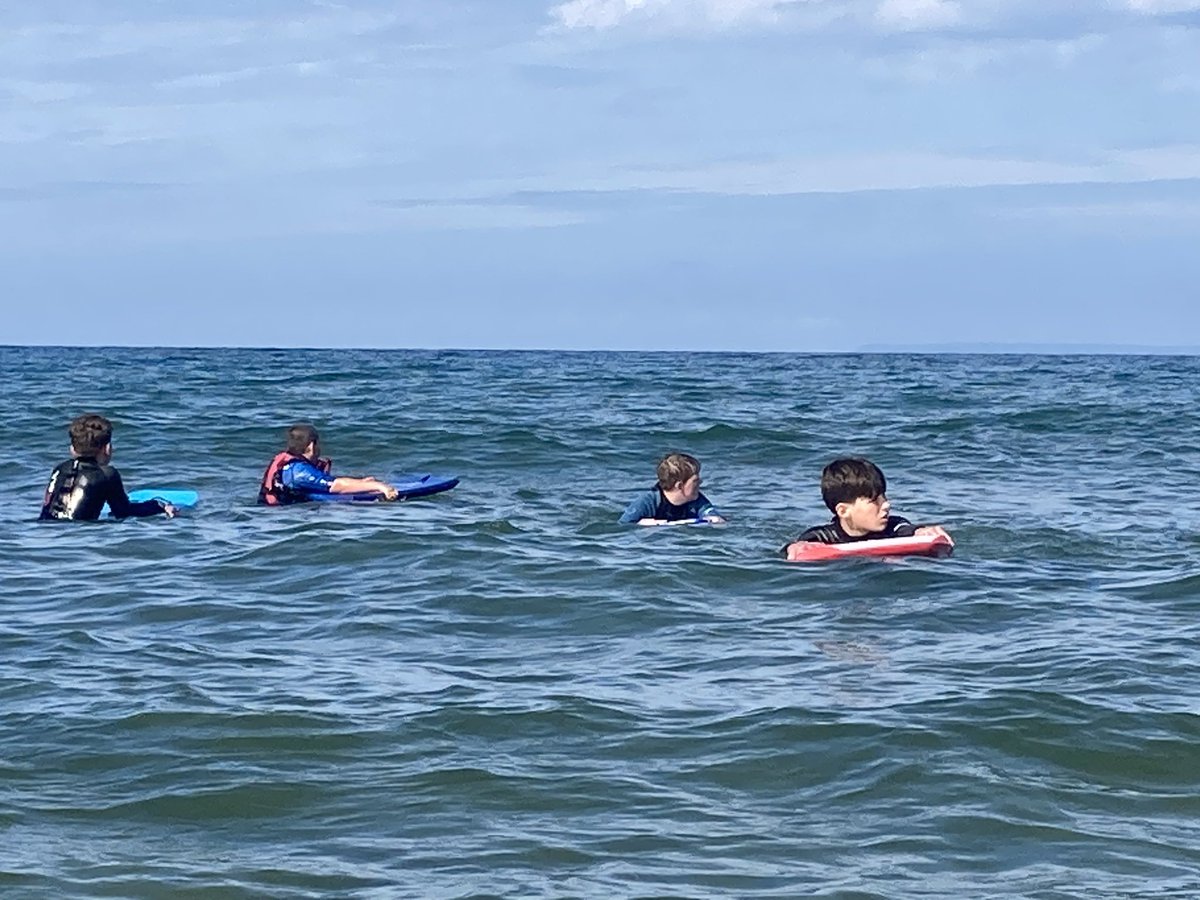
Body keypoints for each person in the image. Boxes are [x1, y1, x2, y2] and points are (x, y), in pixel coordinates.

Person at [782, 457, 952, 553]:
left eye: (884, 497)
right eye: (874, 501)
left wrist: (921, 531)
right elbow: (800, 544)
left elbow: (907, 530)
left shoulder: (893, 526)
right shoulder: (826, 536)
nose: (886, 505)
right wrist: (795, 547)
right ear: (843, 510)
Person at [39, 413, 177, 521]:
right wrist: (159, 506)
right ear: (107, 448)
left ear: (72, 449)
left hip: (46, 529)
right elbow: (123, 512)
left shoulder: (59, 469)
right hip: (76, 535)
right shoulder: (107, 474)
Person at [258, 423, 399, 505]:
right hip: (280, 518)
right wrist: (380, 487)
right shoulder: (298, 472)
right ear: (312, 445)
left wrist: (360, 483)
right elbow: (336, 486)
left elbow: (329, 482)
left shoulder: (292, 466)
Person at [619, 452, 725, 525]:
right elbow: (623, 525)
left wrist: (714, 520)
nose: (701, 482)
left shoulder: (697, 500)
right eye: (695, 481)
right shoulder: (649, 502)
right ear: (679, 486)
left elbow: (710, 513)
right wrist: (640, 524)